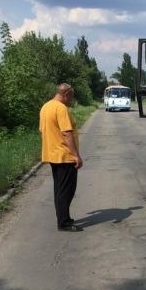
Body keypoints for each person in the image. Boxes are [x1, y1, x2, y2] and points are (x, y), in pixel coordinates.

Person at [39, 83, 83, 232]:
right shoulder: (61, 108)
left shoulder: (45, 107)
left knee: (59, 189)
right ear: (66, 94)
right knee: (67, 190)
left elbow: (42, 130)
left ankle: (63, 218)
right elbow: (66, 133)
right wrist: (76, 155)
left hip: (52, 154)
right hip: (64, 156)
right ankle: (64, 223)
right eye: (71, 97)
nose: (71, 100)